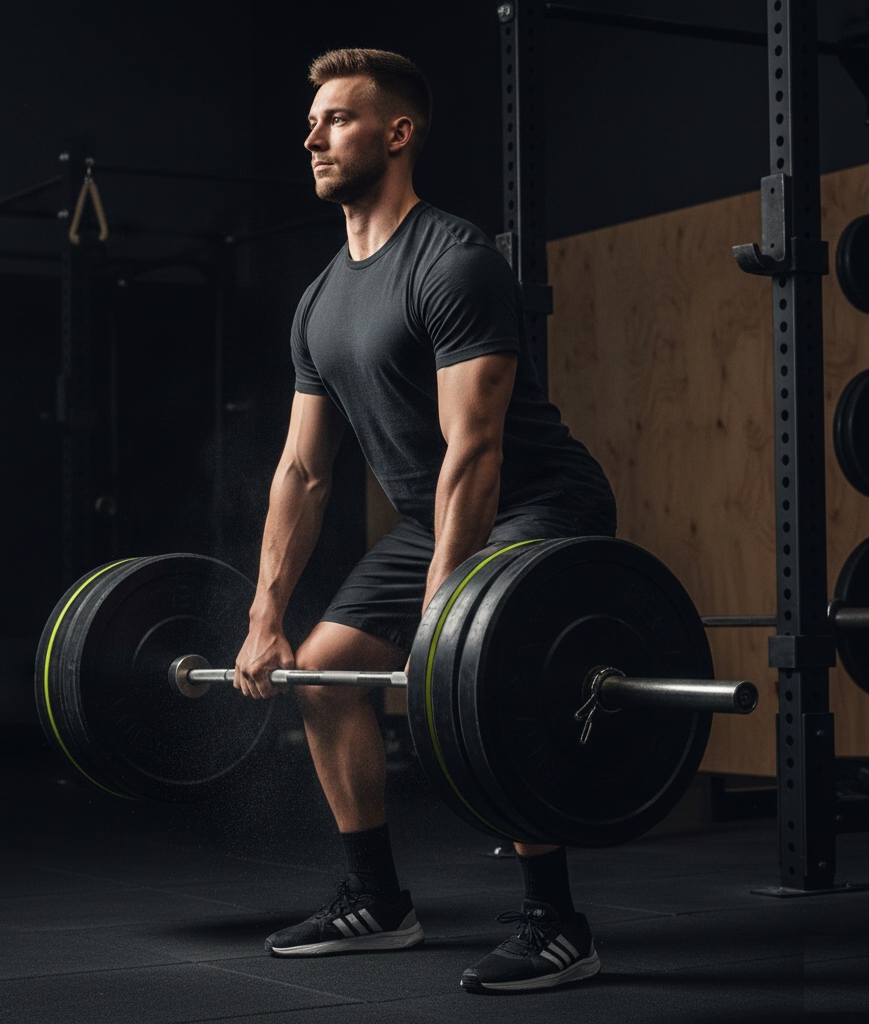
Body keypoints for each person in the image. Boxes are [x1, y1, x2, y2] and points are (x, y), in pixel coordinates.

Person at [233, 47, 616, 994]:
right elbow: (301, 472)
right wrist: (262, 617)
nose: (313, 134)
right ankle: (376, 901)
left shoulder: (457, 262)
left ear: (397, 133)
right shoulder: (321, 301)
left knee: (489, 669)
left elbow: (474, 449)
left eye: (339, 118)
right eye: (313, 120)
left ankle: (556, 920)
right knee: (319, 677)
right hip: (431, 515)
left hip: (539, 500)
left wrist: (448, 611)